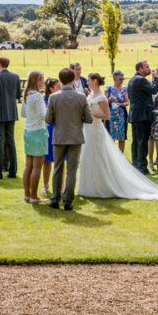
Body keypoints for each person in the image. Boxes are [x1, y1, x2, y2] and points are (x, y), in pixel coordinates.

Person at [73, 74, 158, 202]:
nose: (87, 82)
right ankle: (88, 187)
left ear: (94, 81)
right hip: (88, 130)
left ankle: (102, 185)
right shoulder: (90, 95)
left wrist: (89, 114)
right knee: (88, 155)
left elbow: (107, 116)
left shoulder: (101, 97)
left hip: (96, 130)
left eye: (88, 80)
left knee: (98, 156)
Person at [44, 68, 92, 211]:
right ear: (73, 80)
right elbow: (89, 119)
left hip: (59, 136)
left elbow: (48, 119)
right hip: (75, 136)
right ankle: (68, 201)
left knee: (57, 169)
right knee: (71, 170)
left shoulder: (53, 97)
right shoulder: (81, 97)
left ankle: (54, 200)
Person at [20, 70, 49, 204]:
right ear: (37, 80)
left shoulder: (26, 94)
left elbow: (24, 114)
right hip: (38, 131)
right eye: (42, 79)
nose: (44, 82)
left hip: (28, 131)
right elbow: (44, 115)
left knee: (28, 166)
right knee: (37, 166)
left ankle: (27, 194)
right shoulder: (37, 96)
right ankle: (33, 195)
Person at [126, 61, 158, 175]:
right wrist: (156, 79)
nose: (149, 69)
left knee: (136, 141)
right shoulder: (141, 80)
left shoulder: (132, 80)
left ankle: (135, 164)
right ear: (140, 69)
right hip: (142, 115)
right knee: (142, 142)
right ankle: (142, 167)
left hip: (135, 114)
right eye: (147, 67)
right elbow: (154, 90)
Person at [40, 77, 59, 198]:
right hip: (48, 130)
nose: (60, 89)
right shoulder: (44, 100)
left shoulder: (61, 98)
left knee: (60, 160)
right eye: (58, 87)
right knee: (46, 161)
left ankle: (60, 186)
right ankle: (45, 184)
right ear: (51, 88)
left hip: (59, 130)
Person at [106, 70, 128, 147]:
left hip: (121, 115)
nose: (122, 81)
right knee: (111, 137)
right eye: (120, 79)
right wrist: (110, 100)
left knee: (122, 137)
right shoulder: (108, 88)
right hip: (111, 116)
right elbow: (104, 102)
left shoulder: (125, 88)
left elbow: (127, 102)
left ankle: (120, 156)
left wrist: (121, 104)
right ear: (114, 79)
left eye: (123, 79)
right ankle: (112, 157)